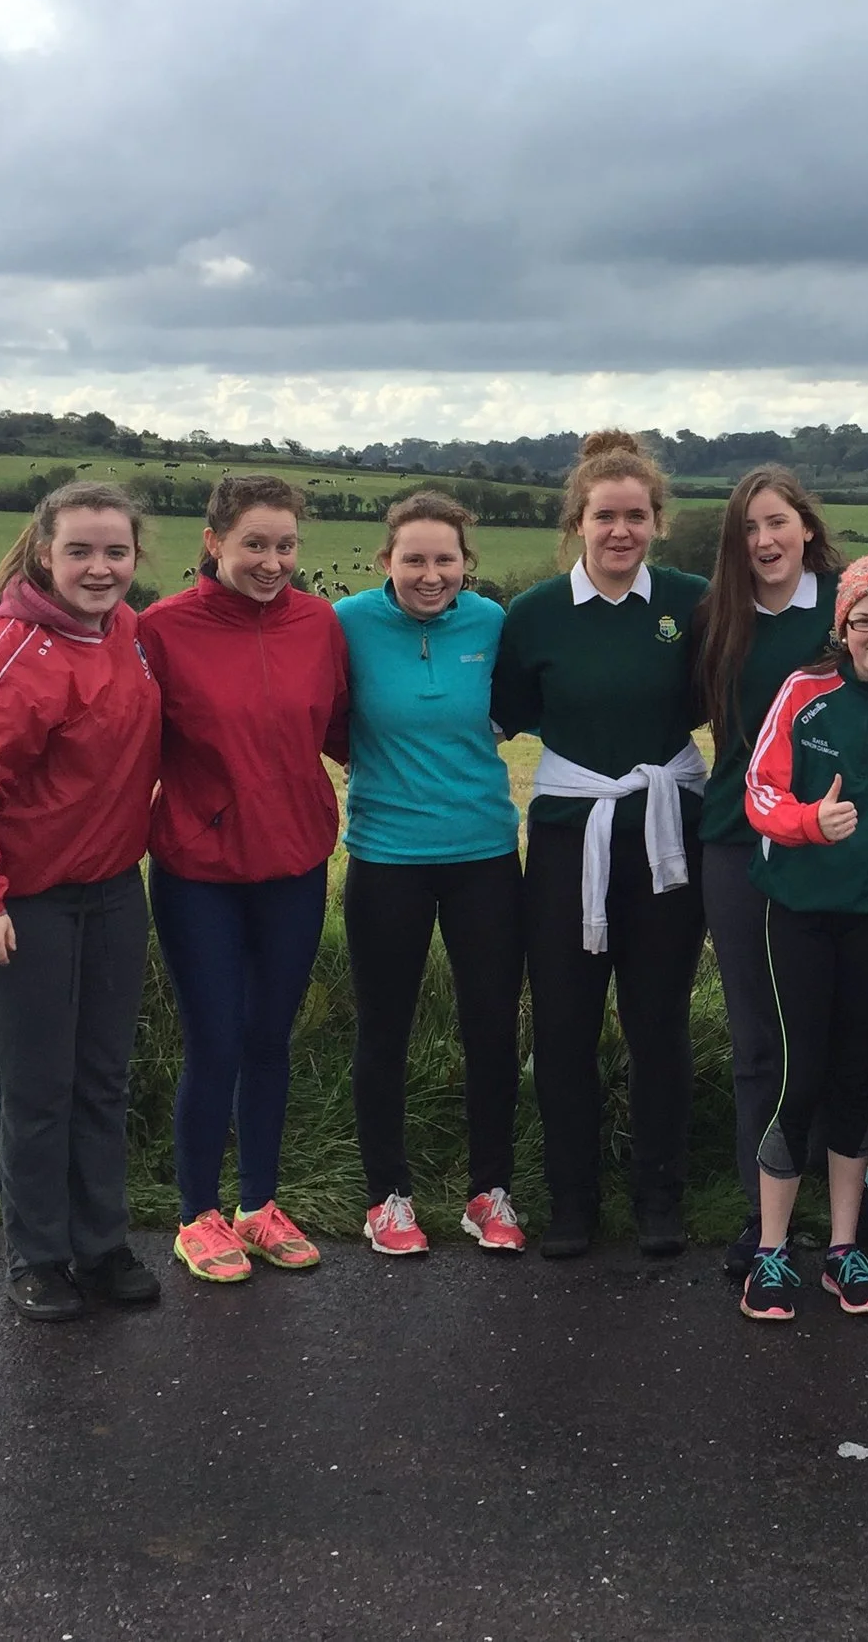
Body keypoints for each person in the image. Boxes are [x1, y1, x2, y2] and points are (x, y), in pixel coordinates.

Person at [0, 482, 162, 1323]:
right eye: (81, 551)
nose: (100, 568)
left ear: (137, 557)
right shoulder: (6, 651)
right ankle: (38, 1256)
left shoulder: (127, 633)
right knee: (37, 1086)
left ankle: (101, 1247)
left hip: (112, 892)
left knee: (101, 1079)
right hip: (17, 903)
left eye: (116, 551)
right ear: (44, 554)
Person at [493, 430, 711, 1259]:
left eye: (636, 515)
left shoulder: (691, 601)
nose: (621, 530)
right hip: (566, 836)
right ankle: (571, 1201)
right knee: (564, 1023)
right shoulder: (536, 613)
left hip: (665, 836)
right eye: (604, 515)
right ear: (576, 523)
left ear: (657, 521)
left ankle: (661, 1195)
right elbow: (498, 715)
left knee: (658, 1021)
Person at [137, 475, 349, 1284]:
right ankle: (198, 1213)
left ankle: (259, 1203)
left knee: (269, 1038)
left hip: (294, 864)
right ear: (213, 540)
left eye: (286, 545)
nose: (272, 561)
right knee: (216, 1038)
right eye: (254, 544)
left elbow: (340, 729)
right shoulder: (161, 630)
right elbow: (130, 748)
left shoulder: (319, 623)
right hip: (200, 871)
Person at [736, 549, 868, 1321]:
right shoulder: (804, 691)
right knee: (801, 1072)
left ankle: (843, 1247)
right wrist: (808, 823)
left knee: (857, 1075)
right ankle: (770, 1250)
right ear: (844, 625)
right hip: (796, 907)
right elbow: (759, 789)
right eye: (866, 618)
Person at [337, 490, 529, 1256]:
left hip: (484, 854)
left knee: (491, 1028)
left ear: (465, 563)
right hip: (386, 857)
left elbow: (519, 705)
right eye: (413, 558)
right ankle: (387, 1197)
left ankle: (491, 1191)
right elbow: (318, 711)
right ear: (387, 560)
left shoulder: (491, 623)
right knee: (384, 1030)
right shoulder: (346, 622)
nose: (429, 573)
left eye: (444, 558)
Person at [690, 468, 847, 1280]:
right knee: (757, 1037)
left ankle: (843, 1209)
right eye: (748, 528)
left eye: (777, 522)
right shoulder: (715, 614)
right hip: (734, 841)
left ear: (807, 528)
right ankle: (766, 1215)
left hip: (838, 845)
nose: (763, 541)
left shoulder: (846, 604)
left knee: (830, 1032)